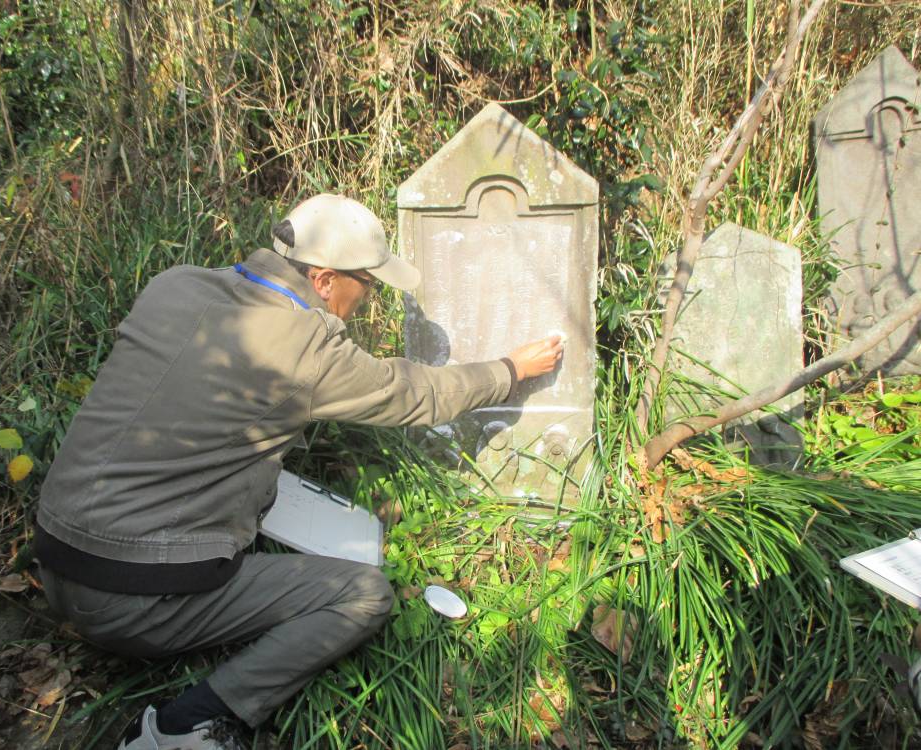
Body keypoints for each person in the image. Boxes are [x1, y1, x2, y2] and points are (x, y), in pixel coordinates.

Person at [33, 194, 564, 750]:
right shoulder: (306, 345)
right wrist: (510, 370)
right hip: (130, 602)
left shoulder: (176, 284)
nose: (370, 298)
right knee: (365, 594)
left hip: (56, 558)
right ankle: (191, 722)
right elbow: (415, 394)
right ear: (327, 280)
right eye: (370, 283)